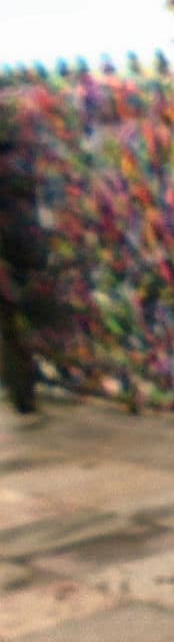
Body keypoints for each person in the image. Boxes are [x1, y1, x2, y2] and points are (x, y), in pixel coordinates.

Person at [0, 100, 52, 418]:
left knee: (11, 326)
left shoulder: (12, 164)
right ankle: (24, 389)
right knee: (13, 325)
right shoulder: (14, 163)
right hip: (19, 252)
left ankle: (24, 388)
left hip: (19, 252)